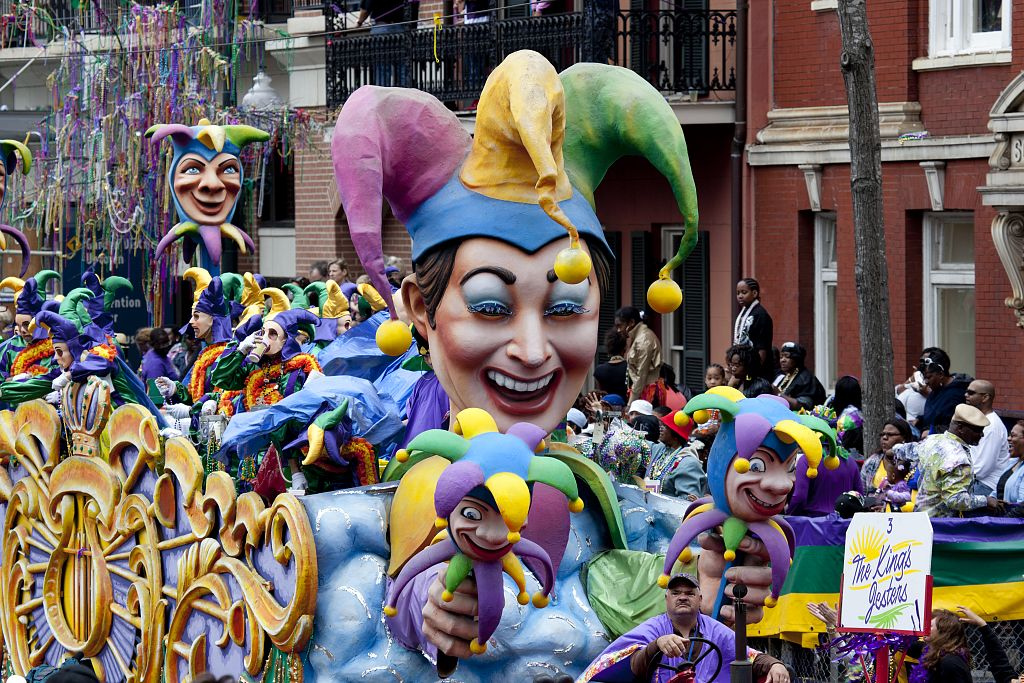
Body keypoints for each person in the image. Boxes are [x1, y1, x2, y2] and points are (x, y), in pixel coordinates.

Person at [582, 572, 790, 683]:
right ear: (666, 599)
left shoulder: (715, 630)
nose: (682, 596)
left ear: (700, 599)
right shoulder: (652, 628)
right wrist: (656, 645)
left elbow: (749, 656)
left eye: (689, 593)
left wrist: (775, 665)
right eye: (676, 593)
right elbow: (630, 664)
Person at [915, 404, 1002, 517]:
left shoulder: (932, 440)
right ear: (960, 428)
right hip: (941, 525)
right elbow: (955, 500)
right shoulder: (959, 458)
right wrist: (986, 500)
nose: (982, 435)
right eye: (977, 430)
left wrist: (893, 451)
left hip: (921, 517)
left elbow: (907, 450)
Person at [911, 606, 1014, 683]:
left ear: (944, 632)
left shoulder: (950, 663)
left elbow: (1003, 671)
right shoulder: (933, 653)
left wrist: (983, 626)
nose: (925, 627)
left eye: (930, 625)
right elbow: (909, 647)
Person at [787, 440, 861, 517]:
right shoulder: (850, 461)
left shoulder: (807, 460)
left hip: (813, 523)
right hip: (845, 523)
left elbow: (800, 497)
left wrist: (789, 515)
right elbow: (859, 496)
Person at [964, 379, 1012, 494]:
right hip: (974, 480)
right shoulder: (980, 421)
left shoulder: (991, 426)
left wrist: (956, 478)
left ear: (985, 398)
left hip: (985, 485)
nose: (966, 395)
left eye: (971, 393)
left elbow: (981, 469)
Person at [644, 410, 704, 499]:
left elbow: (685, 503)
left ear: (676, 433)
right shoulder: (661, 449)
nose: (660, 428)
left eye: (665, 426)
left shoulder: (688, 463)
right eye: (661, 425)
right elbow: (639, 443)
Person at [917, 348, 971, 435]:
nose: (926, 382)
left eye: (929, 377)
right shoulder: (937, 388)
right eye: (924, 377)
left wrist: (932, 431)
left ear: (941, 374)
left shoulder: (955, 395)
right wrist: (919, 421)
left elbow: (955, 427)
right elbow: (936, 416)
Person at [615, 306, 661, 400]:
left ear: (631, 322)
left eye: (620, 326)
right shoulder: (638, 337)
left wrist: (631, 403)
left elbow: (641, 375)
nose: (618, 330)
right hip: (641, 390)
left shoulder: (643, 340)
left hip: (647, 393)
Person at [860, 417, 915, 491]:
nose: (884, 437)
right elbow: (862, 491)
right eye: (883, 434)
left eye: (890, 434)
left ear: (904, 438)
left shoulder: (914, 464)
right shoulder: (872, 462)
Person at [771, 341, 825, 411]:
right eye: (781, 357)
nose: (782, 360)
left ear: (797, 359)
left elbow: (802, 406)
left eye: (787, 356)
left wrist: (778, 394)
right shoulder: (782, 376)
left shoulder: (805, 379)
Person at [732, 278, 773, 369]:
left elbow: (762, 348)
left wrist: (754, 371)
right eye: (738, 293)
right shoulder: (744, 313)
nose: (740, 296)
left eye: (744, 292)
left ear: (754, 293)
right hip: (742, 365)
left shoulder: (760, 315)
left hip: (756, 369)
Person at [594, 328, 629, 398]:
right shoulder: (629, 368)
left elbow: (599, 394)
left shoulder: (599, 370)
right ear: (624, 349)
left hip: (605, 407)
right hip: (626, 407)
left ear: (608, 349)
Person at [997, 420, 1024, 503]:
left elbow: (1021, 506)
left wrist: (1007, 516)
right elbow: (996, 492)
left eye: (1013, 436)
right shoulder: (1012, 462)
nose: (1008, 438)